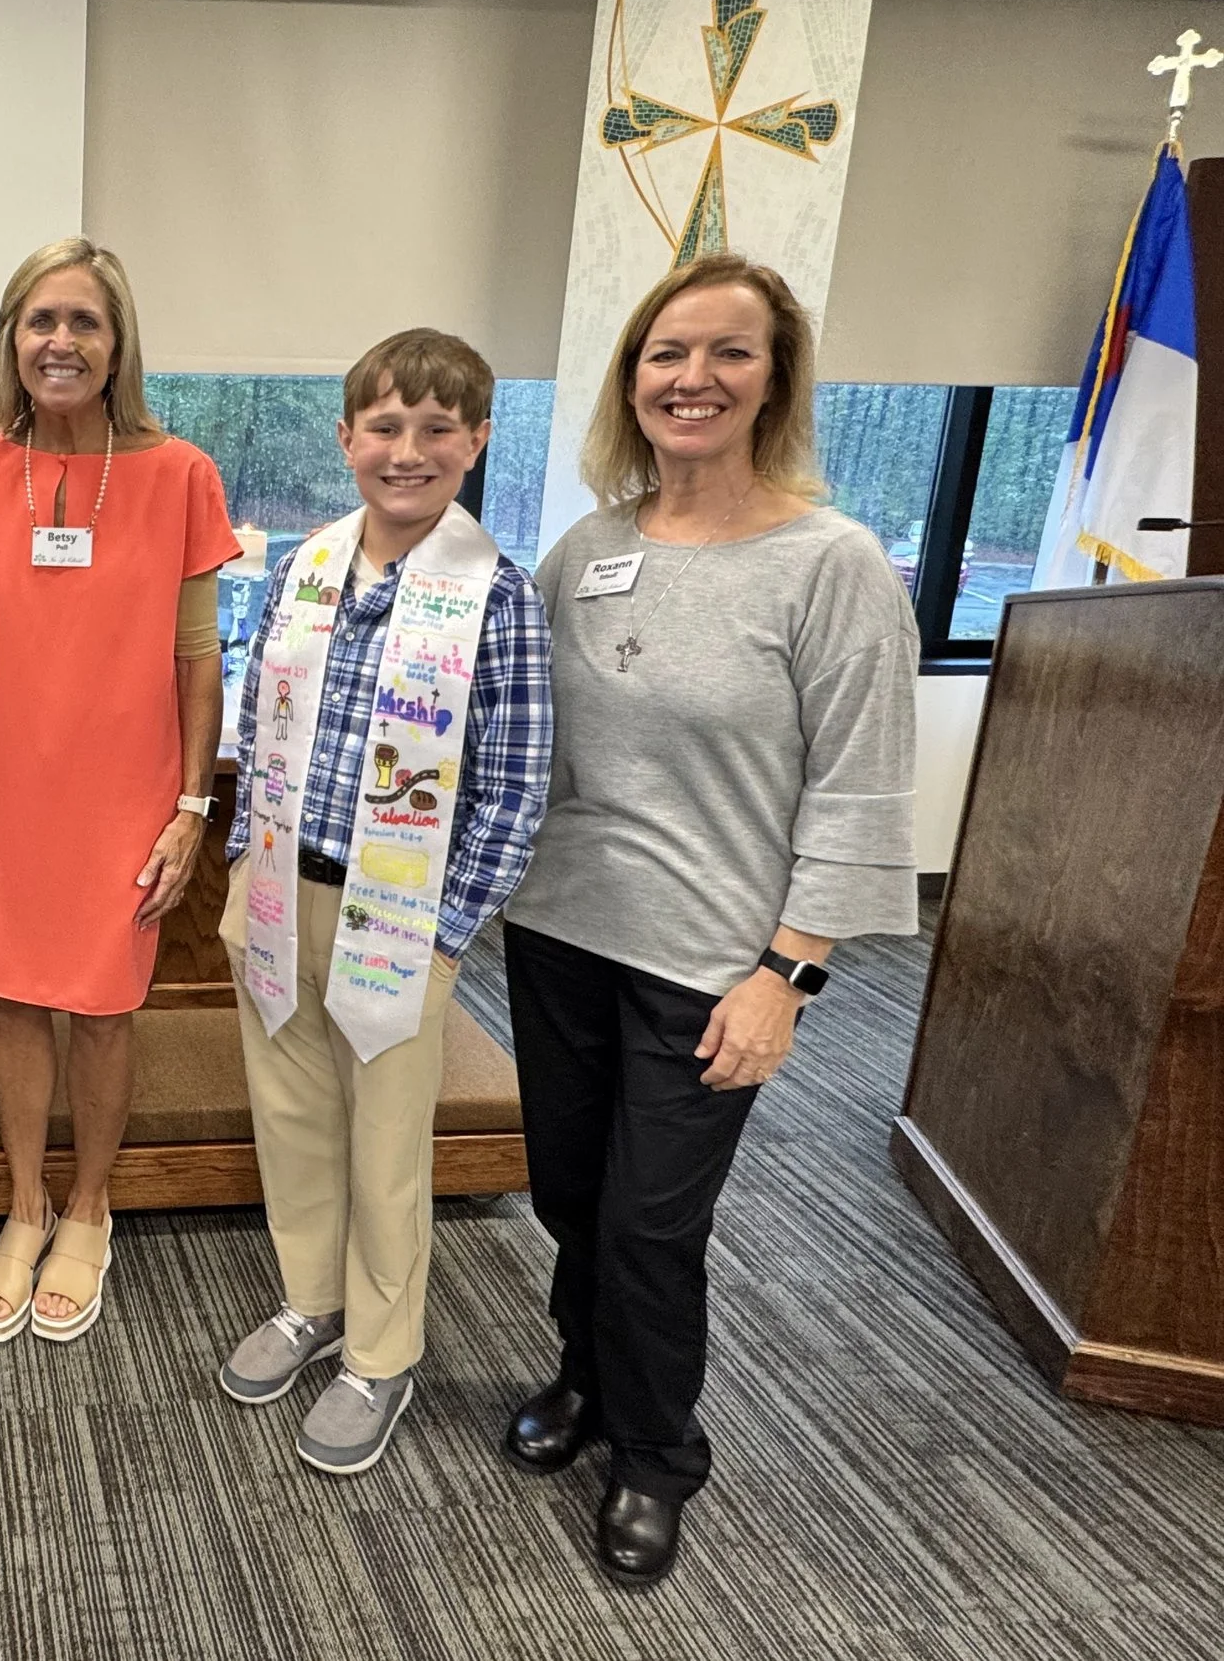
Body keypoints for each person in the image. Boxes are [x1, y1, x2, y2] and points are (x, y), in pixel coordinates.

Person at [499, 253, 917, 1586]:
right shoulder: (591, 543)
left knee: (649, 1222)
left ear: (774, 377)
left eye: (728, 353)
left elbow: (859, 786)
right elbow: (521, 723)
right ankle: (584, 1376)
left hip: (712, 962)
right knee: (571, 1192)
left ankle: (660, 1453)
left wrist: (789, 973)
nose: (694, 377)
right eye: (667, 354)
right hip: (563, 927)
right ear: (633, 379)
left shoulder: (832, 563)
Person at [212, 330, 552, 1473]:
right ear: (348, 436)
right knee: (293, 1116)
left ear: (476, 441)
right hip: (276, 894)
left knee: (387, 1149)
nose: (407, 451)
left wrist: (448, 928)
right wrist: (238, 873)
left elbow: (512, 787)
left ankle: (381, 1351)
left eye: (435, 430)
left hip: (398, 918)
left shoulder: (495, 597)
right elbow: (257, 728)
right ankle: (310, 1300)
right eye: (385, 427)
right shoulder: (305, 569)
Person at [0, 238, 238, 1345]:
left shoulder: (178, 474)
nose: (60, 342)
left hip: (128, 790)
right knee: (13, 997)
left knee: (107, 1005)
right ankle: (23, 1208)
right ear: (11, 341)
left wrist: (191, 809)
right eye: (39, 321)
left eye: (84, 322)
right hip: (1, 787)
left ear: (118, 346)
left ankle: (90, 1206)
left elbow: (197, 656)